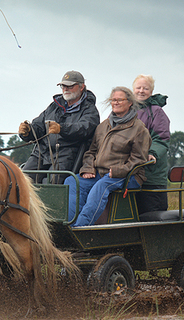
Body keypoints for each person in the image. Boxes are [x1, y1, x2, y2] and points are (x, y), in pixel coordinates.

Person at [65, 87, 151, 226]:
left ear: (130, 103)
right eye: (113, 100)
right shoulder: (103, 126)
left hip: (129, 176)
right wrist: (88, 167)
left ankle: (81, 227)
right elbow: (91, 152)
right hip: (100, 173)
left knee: (102, 186)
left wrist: (118, 171)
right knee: (72, 181)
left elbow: (138, 160)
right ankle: (69, 225)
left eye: (119, 100)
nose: (115, 102)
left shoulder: (139, 128)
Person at [18, 70, 99, 184]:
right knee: (22, 181)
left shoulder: (89, 110)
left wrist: (61, 129)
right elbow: (39, 126)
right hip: (42, 151)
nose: (65, 89)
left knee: (52, 183)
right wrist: (28, 131)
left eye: (69, 86)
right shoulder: (54, 106)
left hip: (66, 153)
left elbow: (84, 129)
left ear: (81, 87)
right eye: (63, 86)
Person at [132, 74, 171, 213]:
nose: (141, 91)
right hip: (130, 173)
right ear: (133, 89)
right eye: (138, 87)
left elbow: (161, 138)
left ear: (151, 92)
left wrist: (152, 154)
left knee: (151, 215)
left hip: (151, 175)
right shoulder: (126, 110)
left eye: (145, 88)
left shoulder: (157, 112)